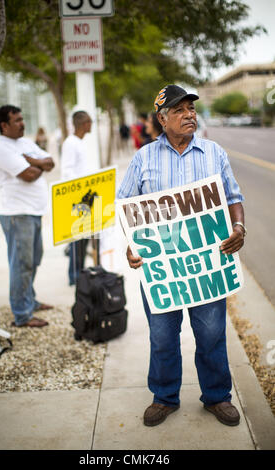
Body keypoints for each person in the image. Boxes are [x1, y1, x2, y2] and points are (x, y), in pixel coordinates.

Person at [117, 85, 246, 427]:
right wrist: (132, 246)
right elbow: (126, 207)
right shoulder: (143, 158)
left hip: (206, 269)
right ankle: (164, 396)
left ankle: (217, 396)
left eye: (191, 108)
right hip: (163, 271)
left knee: (211, 334)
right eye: (180, 110)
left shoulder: (214, 152)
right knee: (162, 336)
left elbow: (233, 196)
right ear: (162, 119)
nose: (190, 114)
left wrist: (238, 228)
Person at [0, 105, 55, 328]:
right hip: (17, 214)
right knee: (21, 264)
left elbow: (50, 162)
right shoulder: (1, 148)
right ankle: (22, 314)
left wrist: (31, 159)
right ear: (4, 125)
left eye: (22, 118)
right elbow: (29, 175)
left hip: (34, 212)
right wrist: (36, 163)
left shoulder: (25, 142)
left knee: (33, 260)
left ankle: (30, 300)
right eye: (16, 120)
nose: (22, 123)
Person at [60, 110, 93, 286]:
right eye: (89, 121)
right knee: (77, 241)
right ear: (82, 123)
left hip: (86, 198)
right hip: (77, 200)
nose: (91, 124)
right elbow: (68, 171)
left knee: (84, 239)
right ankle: (74, 277)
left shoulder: (80, 142)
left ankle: (80, 272)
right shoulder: (70, 143)